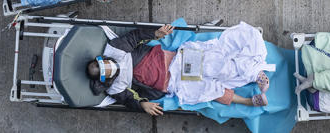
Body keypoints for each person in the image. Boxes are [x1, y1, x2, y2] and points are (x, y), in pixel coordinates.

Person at [87, 23, 273, 115]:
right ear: (105, 78)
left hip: (175, 61)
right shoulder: (114, 87)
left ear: (103, 58)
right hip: (172, 83)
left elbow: (134, 37)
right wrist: (142, 104)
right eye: (107, 71)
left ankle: (254, 73)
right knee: (207, 91)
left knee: (214, 63)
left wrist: (155, 34)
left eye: (106, 63)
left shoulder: (114, 49)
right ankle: (247, 101)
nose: (110, 67)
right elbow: (129, 99)